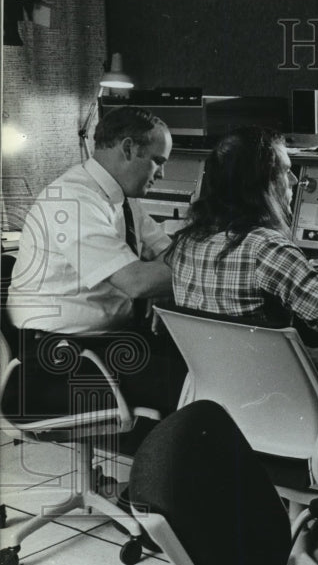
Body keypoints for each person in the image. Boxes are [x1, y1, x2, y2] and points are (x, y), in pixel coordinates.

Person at [166, 127, 318, 475]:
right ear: (263, 184)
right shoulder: (266, 249)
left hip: (226, 414)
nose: (294, 182)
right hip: (293, 420)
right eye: (285, 172)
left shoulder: (185, 243)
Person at [6, 106, 187, 421]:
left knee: (200, 365)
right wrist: (213, 271)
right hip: (55, 358)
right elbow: (137, 282)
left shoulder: (123, 200)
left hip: (102, 341)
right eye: (158, 162)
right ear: (128, 148)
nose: (162, 174)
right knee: (194, 386)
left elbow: (167, 254)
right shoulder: (72, 200)